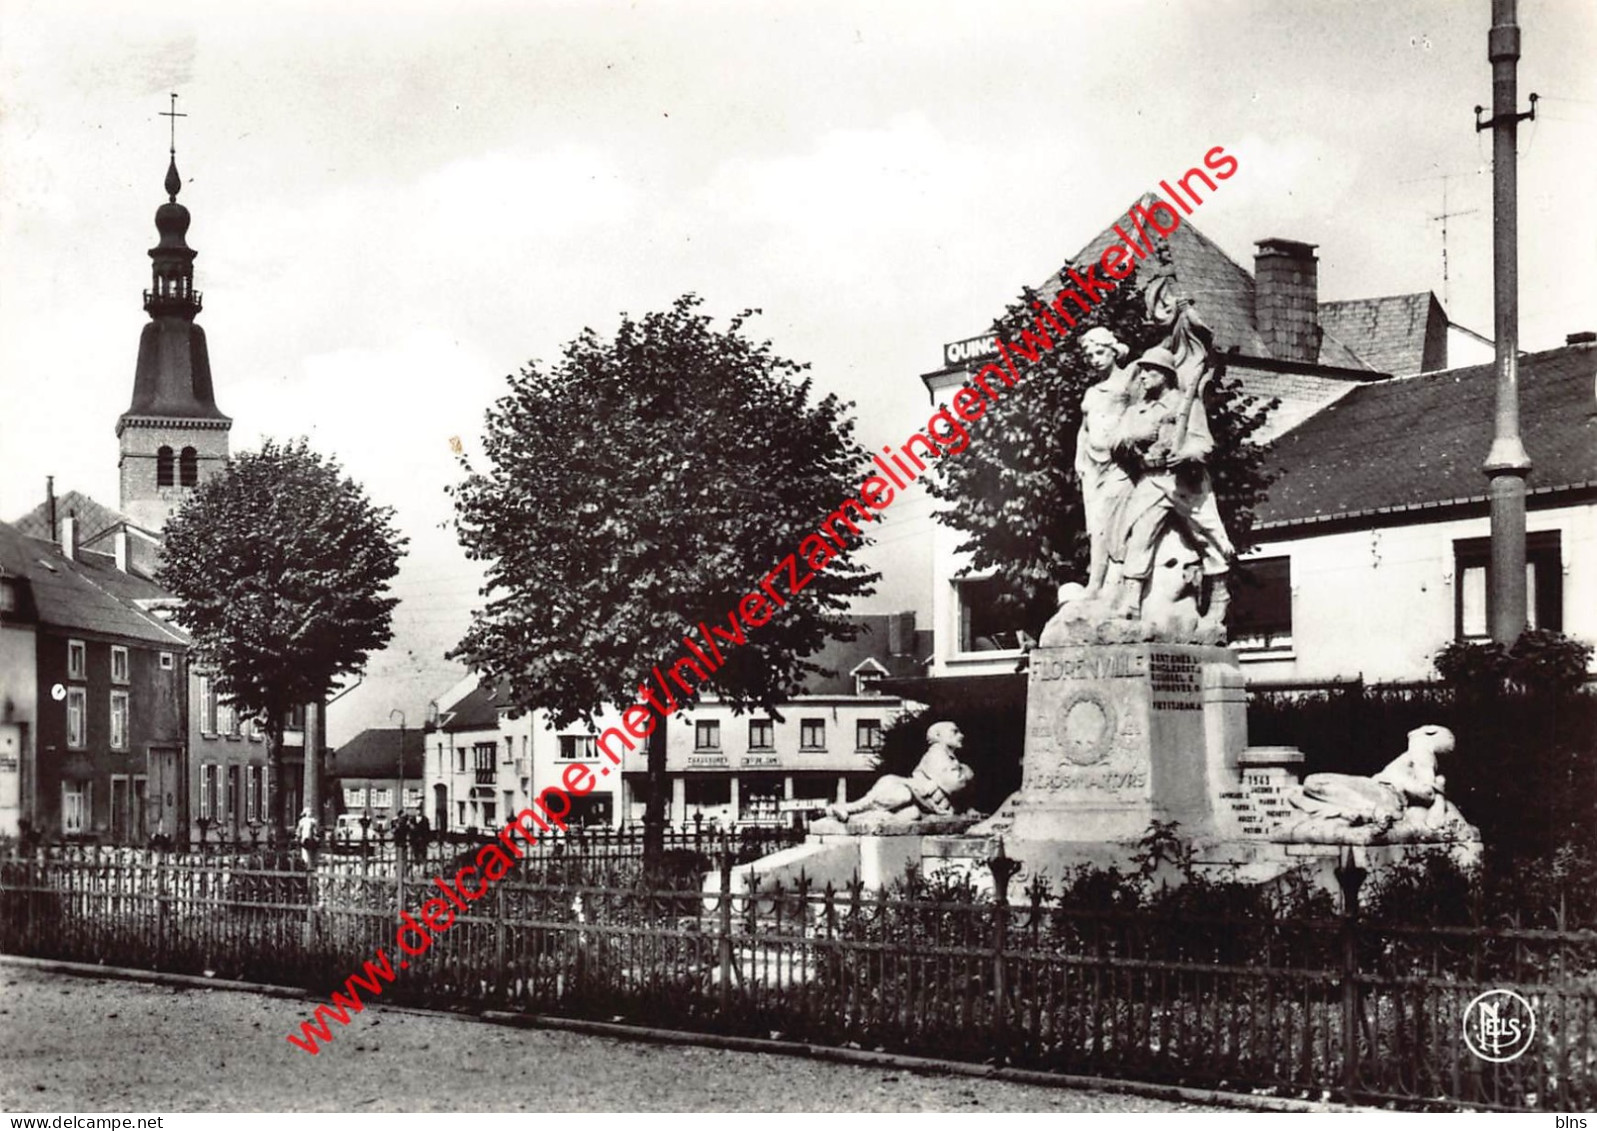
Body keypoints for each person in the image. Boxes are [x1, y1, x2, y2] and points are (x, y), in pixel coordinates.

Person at [1107, 346, 1233, 633]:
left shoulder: (1185, 405)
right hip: (1150, 478)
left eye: (1150, 371)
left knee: (1210, 537)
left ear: (1165, 374)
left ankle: (1219, 599)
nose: (1143, 377)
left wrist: (1187, 454)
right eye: (1141, 371)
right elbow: (1115, 441)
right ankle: (1131, 604)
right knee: (1137, 536)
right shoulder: (1137, 409)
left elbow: (1204, 443)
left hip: (1185, 480)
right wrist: (1132, 438)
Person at [1074, 327, 1137, 599]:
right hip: (1091, 464)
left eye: (1100, 352)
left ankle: (1102, 583)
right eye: (1089, 355)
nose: (1095, 359)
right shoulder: (1091, 391)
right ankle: (1099, 581)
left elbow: (1139, 415)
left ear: (1113, 349)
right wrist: (1079, 458)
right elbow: (1084, 427)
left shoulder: (1129, 381)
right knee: (1094, 527)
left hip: (1118, 464)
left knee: (1110, 523)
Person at [828, 721, 975, 822]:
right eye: (954, 732)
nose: (960, 735)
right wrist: (967, 770)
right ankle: (847, 810)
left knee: (911, 814)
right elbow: (955, 784)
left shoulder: (950, 758)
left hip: (922, 803)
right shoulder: (936, 754)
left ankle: (847, 811)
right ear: (938, 736)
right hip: (905, 790)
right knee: (901, 796)